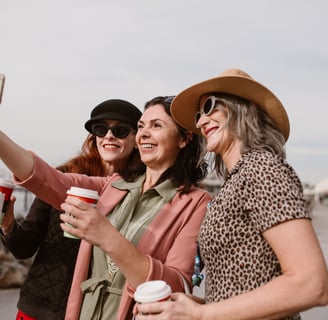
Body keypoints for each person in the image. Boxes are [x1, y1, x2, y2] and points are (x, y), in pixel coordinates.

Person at [133, 69, 328, 320]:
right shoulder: (237, 178)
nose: (202, 121)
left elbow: (312, 284)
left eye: (211, 106)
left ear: (242, 109)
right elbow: (247, 286)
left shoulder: (262, 168)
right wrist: (197, 306)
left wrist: (201, 315)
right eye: (198, 114)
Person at [0, 96, 212, 320]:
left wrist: (107, 237)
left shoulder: (196, 203)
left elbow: (176, 286)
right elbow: (44, 177)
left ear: (184, 139)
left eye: (156, 125)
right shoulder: (113, 185)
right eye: (141, 126)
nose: (144, 133)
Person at [0, 98, 144, 320]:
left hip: (97, 312)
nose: (109, 136)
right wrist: (7, 223)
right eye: (101, 129)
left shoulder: (141, 191)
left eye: (121, 130)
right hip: (40, 309)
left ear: (137, 139)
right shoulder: (62, 178)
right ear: (93, 136)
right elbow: (24, 247)